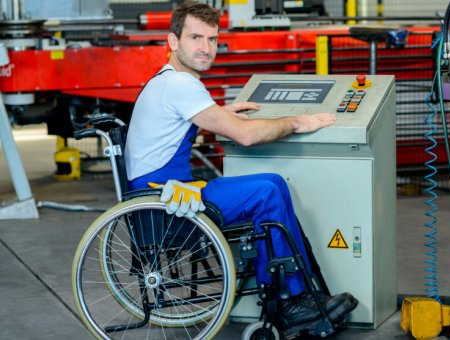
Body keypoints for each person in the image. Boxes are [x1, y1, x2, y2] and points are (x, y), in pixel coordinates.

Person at [124, 0, 357, 332]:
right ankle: (288, 301)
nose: (206, 48)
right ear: (173, 41)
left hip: (165, 196)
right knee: (265, 193)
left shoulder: (168, 81)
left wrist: (220, 113)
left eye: (212, 39)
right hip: (166, 206)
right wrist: (297, 122)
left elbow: (184, 119)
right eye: (195, 38)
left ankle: (300, 290)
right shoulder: (180, 85)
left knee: (274, 183)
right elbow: (246, 137)